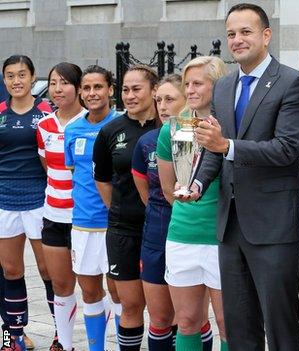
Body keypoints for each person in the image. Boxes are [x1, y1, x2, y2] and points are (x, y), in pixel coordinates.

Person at [185, 3, 299, 350]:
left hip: (273, 226)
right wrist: (197, 183)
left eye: (246, 32)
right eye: (231, 34)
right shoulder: (224, 87)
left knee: (280, 325)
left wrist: (226, 145)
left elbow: (285, 148)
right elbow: (216, 148)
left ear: (266, 35)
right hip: (230, 226)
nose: (237, 40)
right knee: (239, 327)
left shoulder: (292, 83)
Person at [157, 58, 228, 351]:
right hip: (183, 235)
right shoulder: (174, 129)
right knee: (186, 321)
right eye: (187, 84)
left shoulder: (231, 128)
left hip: (223, 237)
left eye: (197, 83)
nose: (190, 90)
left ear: (217, 85)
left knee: (228, 324)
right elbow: (168, 189)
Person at [93, 65, 158, 351]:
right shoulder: (110, 131)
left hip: (161, 228)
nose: (129, 96)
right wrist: (119, 211)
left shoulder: (167, 127)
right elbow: (103, 180)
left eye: (136, 89)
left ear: (153, 91)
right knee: (130, 306)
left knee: (163, 311)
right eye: (125, 90)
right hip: (123, 229)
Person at [64, 65, 119, 351]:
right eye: (86, 88)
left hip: (116, 224)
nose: (92, 93)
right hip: (83, 223)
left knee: (120, 292)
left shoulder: (121, 125)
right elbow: (75, 173)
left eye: (98, 87)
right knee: (89, 291)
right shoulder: (72, 129)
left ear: (110, 90)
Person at [0, 54, 53, 351]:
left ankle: (62, 334)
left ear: (33, 77)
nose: (16, 81)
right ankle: (13, 338)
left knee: (48, 271)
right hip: (5, 201)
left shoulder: (46, 113)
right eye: (10, 75)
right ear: (4, 79)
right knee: (10, 271)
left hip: (39, 201)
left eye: (22, 74)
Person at [131, 74, 186, 351]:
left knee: (190, 318)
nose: (162, 106)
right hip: (156, 232)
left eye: (170, 99)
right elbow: (145, 192)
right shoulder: (147, 142)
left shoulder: (202, 137)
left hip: (191, 231)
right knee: (160, 317)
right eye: (159, 100)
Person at [37, 62, 86, 351]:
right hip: (53, 214)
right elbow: (49, 168)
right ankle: (64, 344)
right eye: (54, 82)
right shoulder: (44, 126)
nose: (58, 88)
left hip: (86, 219)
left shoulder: (91, 122)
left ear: (78, 88)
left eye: (65, 82)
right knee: (61, 287)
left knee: (92, 289)